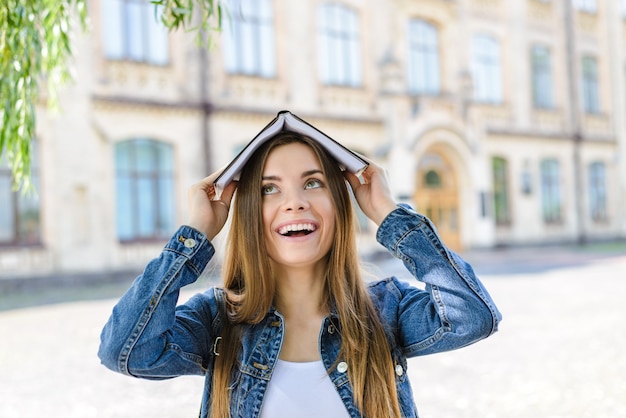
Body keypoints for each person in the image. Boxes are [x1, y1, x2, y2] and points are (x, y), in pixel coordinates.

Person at [98, 128, 502, 418]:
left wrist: (387, 213)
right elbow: (125, 350)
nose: (294, 203)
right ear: (251, 214)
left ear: (339, 207)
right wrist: (196, 234)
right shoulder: (219, 320)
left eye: (313, 183)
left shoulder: (387, 309)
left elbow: (472, 316)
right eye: (269, 189)